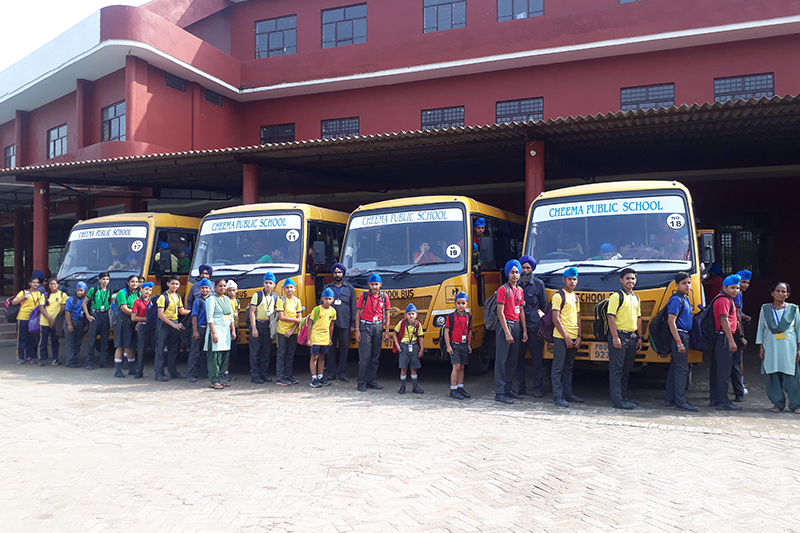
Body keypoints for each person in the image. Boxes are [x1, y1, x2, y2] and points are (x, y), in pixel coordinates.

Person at [756, 282, 800, 413]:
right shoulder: (765, 309)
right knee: (772, 375)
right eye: (778, 291)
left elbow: (798, 330)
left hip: (789, 348)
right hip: (770, 347)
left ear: (787, 295)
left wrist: (799, 349)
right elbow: (761, 329)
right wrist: (761, 348)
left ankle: (796, 404)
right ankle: (778, 404)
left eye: (783, 291)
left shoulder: (794, 309)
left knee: (792, 376)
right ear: (772, 293)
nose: (780, 294)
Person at [607, 268, 642, 410]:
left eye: (633, 278)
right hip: (619, 336)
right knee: (617, 370)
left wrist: (640, 337)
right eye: (627, 278)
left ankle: (623, 396)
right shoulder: (616, 296)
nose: (630, 281)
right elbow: (610, 317)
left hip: (632, 337)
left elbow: (638, 318)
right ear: (621, 280)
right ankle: (617, 401)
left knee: (626, 369)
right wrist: (615, 338)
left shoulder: (636, 298)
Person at [664, 272, 699, 411]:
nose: (687, 286)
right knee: (681, 369)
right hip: (680, 335)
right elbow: (671, 321)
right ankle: (680, 401)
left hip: (683, 335)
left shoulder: (685, 298)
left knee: (675, 367)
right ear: (677, 285)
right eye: (684, 283)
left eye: (689, 283)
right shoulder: (676, 300)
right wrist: (679, 342)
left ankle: (670, 399)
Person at [494, 259, 527, 404]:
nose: (515, 275)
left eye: (517, 272)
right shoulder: (503, 289)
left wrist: (524, 330)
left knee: (513, 360)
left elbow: (521, 311)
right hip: (505, 326)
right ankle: (500, 392)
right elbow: (500, 312)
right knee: (501, 361)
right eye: (512, 272)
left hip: (517, 325)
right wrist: (507, 332)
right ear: (508, 273)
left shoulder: (520, 290)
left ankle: (508, 389)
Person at [709, 274, 742, 411]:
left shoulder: (724, 298)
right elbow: (724, 320)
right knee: (724, 371)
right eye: (732, 288)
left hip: (721, 337)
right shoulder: (724, 300)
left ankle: (715, 399)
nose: (736, 290)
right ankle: (723, 401)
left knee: (717, 370)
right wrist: (731, 340)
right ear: (724, 288)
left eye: (737, 288)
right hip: (724, 338)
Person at [516, 255, 547, 397]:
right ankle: (520, 387)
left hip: (535, 327)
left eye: (528, 268)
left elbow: (543, 307)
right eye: (523, 267)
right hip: (518, 328)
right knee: (518, 360)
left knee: (537, 360)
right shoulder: (515, 284)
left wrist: (542, 326)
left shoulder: (538, 284)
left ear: (532, 269)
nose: (525, 270)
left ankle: (538, 388)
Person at [551, 267, 582, 407]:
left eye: (574, 279)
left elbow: (578, 317)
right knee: (558, 368)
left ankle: (568, 394)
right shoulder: (558, 296)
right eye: (569, 279)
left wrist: (579, 336)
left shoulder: (575, 297)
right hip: (560, 337)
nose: (572, 282)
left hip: (574, 336)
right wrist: (566, 337)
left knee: (568, 367)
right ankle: (558, 397)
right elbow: (555, 319)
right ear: (564, 280)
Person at [355, 273, 391, 392]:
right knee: (365, 357)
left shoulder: (384, 297)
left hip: (378, 327)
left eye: (376, 284)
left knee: (375, 356)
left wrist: (386, 331)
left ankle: (370, 380)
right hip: (365, 326)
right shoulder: (364, 296)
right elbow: (357, 313)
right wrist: (357, 330)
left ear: (381, 284)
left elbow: (387, 314)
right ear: (369, 285)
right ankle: (361, 382)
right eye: (372, 284)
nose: (374, 287)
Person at [154, 274, 190, 381]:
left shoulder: (178, 296)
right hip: (164, 324)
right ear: (168, 284)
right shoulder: (163, 297)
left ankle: (173, 372)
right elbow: (160, 314)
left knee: (173, 349)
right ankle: (158, 373)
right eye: (172, 283)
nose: (174, 286)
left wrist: (195, 311)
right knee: (160, 350)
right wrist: (173, 324)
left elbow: (181, 311)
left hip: (175, 323)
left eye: (177, 284)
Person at [324, 263, 356, 382]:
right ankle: (331, 373)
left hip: (345, 324)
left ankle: (342, 373)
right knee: (330, 349)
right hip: (329, 325)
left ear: (343, 274)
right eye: (335, 272)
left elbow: (353, 307)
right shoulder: (327, 287)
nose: (337, 274)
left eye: (339, 272)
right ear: (332, 274)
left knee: (344, 349)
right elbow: (322, 305)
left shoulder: (349, 288)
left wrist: (353, 324)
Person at [206, 278, 237, 390]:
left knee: (224, 355)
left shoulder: (227, 299)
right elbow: (209, 317)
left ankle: (220, 378)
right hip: (216, 330)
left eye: (224, 286)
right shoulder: (211, 299)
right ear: (215, 287)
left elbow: (231, 316)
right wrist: (214, 333)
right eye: (220, 286)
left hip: (226, 332)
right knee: (215, 356)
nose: (223, 288)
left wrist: (233, 330)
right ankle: (214, 380)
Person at [249, 272, 278, 384]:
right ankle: (255, 375)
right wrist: (254, 328)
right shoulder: (257, 295)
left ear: (274, 284)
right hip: (258, 324)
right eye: (266, 283)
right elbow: (252, 312)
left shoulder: (275, 296)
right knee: (255, 352)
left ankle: (264, 374)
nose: (268, 285)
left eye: (270, 283)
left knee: (266, 351)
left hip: (268, 326)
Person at [443, 291, 472, 400]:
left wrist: (469, 345)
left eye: (463, 303)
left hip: (464, 345)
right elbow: (446, 331)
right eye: (458, 303)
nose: (461, 305)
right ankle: (453, 389)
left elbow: (469, 331)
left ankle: (460, 387)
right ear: (455, 304)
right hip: (454, 345)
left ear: (467, 304)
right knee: (456, 367)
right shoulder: (451, 317)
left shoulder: (468, 317)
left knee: (462, 367)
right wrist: (448, 346)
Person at [306, 287, 337, 388]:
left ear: (333, 300)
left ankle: (320, 376)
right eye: (326, 298)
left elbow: (331, 325)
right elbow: (310, 324)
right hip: (315, 336)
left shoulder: (333, 311)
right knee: (314, 357)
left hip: (325, 337)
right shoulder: (316, 309)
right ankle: (313, 378)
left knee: (322, 357)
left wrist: (330, 338)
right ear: (322, 298)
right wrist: (309, 339)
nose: (328, 301)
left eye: (330, 299)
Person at [82, 271, 112, 370]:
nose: (105, 281)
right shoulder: (94, 289)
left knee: (105, 340)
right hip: (95, 315)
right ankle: (89, 363)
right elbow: (84, 302)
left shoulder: (109, 291)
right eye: (103, 279)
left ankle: (104, 362)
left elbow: (109, 304)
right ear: (99, 280)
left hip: (105, 315)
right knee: (92, 340)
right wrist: (88, 315)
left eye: (107, 279)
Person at [275, 278, 302, 386]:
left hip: (293, 332)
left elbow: (299, 318)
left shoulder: (297, 301)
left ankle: (288, 375)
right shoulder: (281, 300)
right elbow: (281, 317)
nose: (289, 289)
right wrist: (296, 320)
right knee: (281, 354)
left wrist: (291, 330)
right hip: (282, 331)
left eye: (291, 287)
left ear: (295, 289)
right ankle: (280, 377)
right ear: (284, 289)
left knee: (290, 354)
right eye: (287, 288)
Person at [392, 303, 424, 394]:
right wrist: (397, 345)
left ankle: (415, 386)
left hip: (414, 346)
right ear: (406, 315)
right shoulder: (402, 323)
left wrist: (421, 349)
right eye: (409, 314)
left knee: (414, 368)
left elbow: (421, 336)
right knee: (403, 368)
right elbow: (394, 333)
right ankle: (403, 386)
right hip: (404, 346)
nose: (411, 316)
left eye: (413, 314)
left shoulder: (417, 324)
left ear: (416, 315)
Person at [12, 276, 45, 364]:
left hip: (33, 319)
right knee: (22, 337)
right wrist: (24, 297)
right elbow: (14, 302)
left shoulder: (40, 294)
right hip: (23, 317)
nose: (35, 284)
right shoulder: (24, 292)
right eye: (33, 282)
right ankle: (20, 357)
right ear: (30, 283)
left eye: (37, 282)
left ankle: (29, 356)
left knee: (31, 338)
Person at [113, 275, 140, 378]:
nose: (135, 284)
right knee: (121, 345)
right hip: (123, 321)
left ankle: (131, 369)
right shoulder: (122, 293)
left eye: (136, 282)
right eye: (132, 281)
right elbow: (124, 308)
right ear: (128, 283)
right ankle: (118, 370)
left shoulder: (138, 293)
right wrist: (136, 315)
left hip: (134, 320)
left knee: (131, 345)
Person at [732, 269, 752, 401]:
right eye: (743, 282)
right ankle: (740, 386)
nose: (745, 285)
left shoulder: (733, 293)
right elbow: (737, 315)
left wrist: (747, 317)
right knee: (739, 359)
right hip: (736, 330)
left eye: (747, 283)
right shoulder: (738, 294)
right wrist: (741, 335)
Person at [188, 278, 212, 383]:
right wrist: (195, 331)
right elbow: (194, 316)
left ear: (210, 289)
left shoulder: (212, 300)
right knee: (194, 352)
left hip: (208, 329)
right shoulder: (198, 301)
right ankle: (191, 373)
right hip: (199, 328)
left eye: (206, 288)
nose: (205, 290)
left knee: (205, 352)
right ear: (199, 289)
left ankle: (203, 372)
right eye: (202, 288)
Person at [38, 277, 67, 366]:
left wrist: (55, 320)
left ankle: (55, 359)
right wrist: (50, 318)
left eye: (54, 284)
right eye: (51, 284)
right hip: (45, 321)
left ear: (58, 285)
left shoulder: (62, 295)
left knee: (55, 340)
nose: (53, 285)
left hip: (56, 322)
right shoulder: (45, 295)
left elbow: (62, 309)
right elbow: (41, 308)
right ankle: (42, 359)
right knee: (43, 340)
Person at [131, 281, 155, 379]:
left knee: (157, 348)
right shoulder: (137, 302)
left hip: (153, 327)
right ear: (141, 290)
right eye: (146, 289)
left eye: (150, 290)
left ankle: (159, 371)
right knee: (141, 350)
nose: (148, 292)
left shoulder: (153, 301)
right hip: (143, 326)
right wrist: (147, 319)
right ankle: (139, 371)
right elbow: (133, 317)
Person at [64, 282, 88, 368]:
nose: (79, 292)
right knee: (71, 343)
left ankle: (75, 360)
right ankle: (69, 361)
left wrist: (86, 324)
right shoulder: (72, 300)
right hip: (72, 321)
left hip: (81, 323)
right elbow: (67, 312)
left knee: (78, 343)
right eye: (78, 290)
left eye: (81, 290)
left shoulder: (87, 301)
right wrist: (69, 324)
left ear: (86, 291)